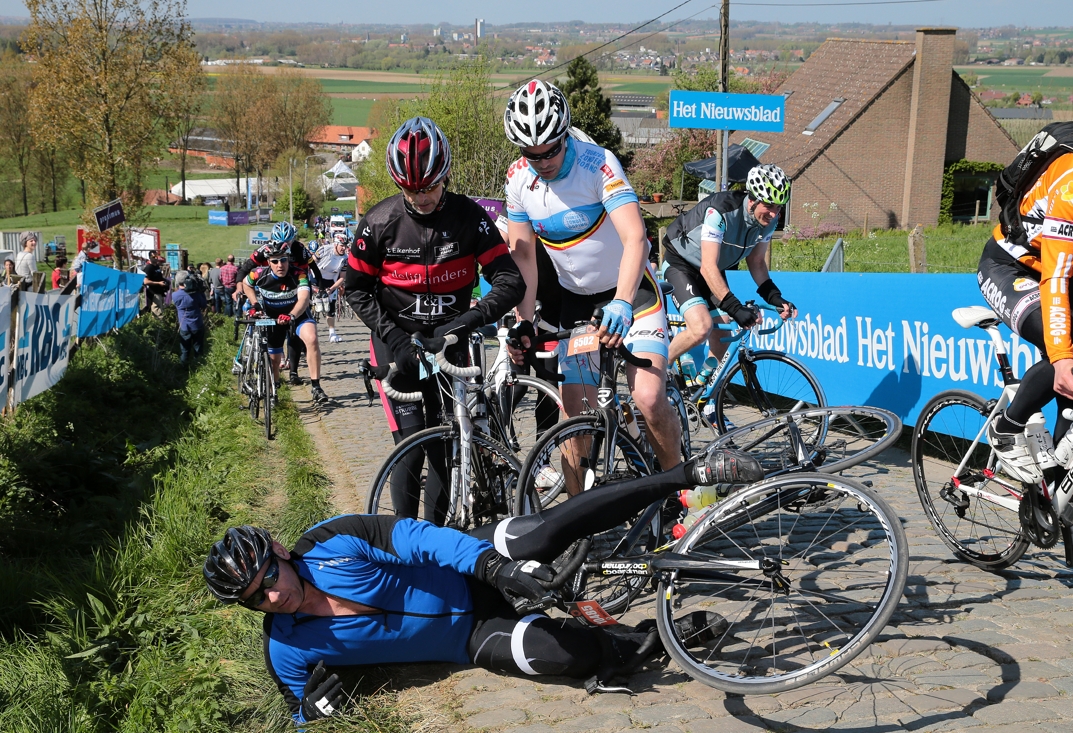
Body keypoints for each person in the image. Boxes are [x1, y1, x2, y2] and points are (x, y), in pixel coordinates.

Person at [203, 449, 759, 724]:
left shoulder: (331, 543)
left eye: (268, 577)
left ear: (279, 552)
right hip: (471, 636)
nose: (271, 595)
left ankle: (684, 475)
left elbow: (423, 539)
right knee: (561, 655)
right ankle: (657, 638)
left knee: (543, 534)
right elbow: (301, 716)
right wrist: (323, 713)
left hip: (467, 567)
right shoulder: (287, 649)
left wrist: (493, 567)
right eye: (256, 597)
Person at [344, 116, 525, 523]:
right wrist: (392, 336)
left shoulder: (469, 217)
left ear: (444, 175)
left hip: (450, 342)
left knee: (445, 450)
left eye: (429, 186)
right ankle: (404, 548)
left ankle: (436, 541)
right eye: (410, 190)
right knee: (409, 449)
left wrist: (464, 323)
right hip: (398, 343)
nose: (421, 197)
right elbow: (355, 288)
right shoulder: (378, 223)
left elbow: (510, 282)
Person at [503, 80, 682, 481]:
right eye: (532, 154)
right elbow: (525, 259)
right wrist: (525, 321)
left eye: (551, 149)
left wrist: (620, 300)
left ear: (565, 134)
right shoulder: (517, 180)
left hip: (632, 294)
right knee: (575, 419)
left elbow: (636, 237)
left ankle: (685, 489)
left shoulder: (597, 163)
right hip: (578, 302)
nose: (544, 161)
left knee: (649, 398)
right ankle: (576, 526)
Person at [978, 145, 1073, 563]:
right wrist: (1062, 358)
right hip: (1013, 267)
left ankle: (1055, 501)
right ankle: (1007, 428)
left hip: (1059, 270)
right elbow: (1056, 277)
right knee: (1063, 351)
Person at [662, 164, 798, 369]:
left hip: (711, 270)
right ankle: (658, 373)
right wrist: (736, 309)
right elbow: (708, 267)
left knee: (723, 334)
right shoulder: (720, 211)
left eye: (779, 207)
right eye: (769, 205)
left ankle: (703, 393)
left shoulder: (768, 221)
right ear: (752, 199)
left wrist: (774, 297)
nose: (773, 214)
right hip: (681, 263)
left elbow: (757, 261)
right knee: (701, 328)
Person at [241, 240, 330, 404]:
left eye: (283, 260)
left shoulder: (299, 275)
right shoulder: (259, 273)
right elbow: (246, 284)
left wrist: (291, 315)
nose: (279, 264)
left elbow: (304, 299)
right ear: (268, 262)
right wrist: (254, 303)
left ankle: (316, 386)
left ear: (288, 259)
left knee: (311, 338)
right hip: (272, 318)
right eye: (274, 261)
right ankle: (273, 390)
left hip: (297, 314)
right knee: (274, 360)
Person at [312, 234, 348, 343]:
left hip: (331, 280)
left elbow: (342, 277)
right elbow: (311, 263)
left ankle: (332, 333)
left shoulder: (345, 258)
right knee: (310, 304)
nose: (344, 248)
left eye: (345, 246)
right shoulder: (324, 250)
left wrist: (331, 289)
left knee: (330, 307)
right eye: (341, 245)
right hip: (316, 277)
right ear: (335, 244)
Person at [173, 270, 207, 363]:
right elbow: (204, 305)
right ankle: (198, 365)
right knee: (198, 348)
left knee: (185, 350)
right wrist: (201, 291)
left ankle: (183, 366)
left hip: (184, 326)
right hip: (197, 324)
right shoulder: (196, 294)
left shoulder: (175, 295)